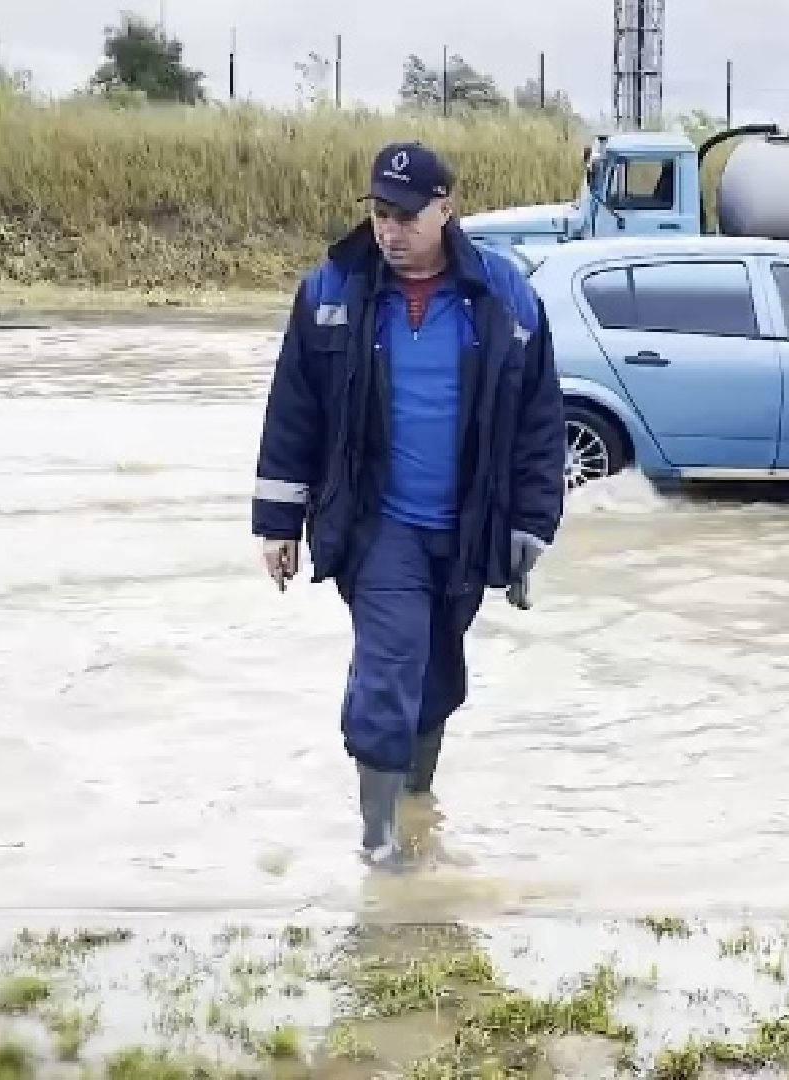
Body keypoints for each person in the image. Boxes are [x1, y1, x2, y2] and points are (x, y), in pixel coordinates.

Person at [250, 141, 566, 865]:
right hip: (376, 523)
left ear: (445, 209)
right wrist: (277, 522)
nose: (389, 230)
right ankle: (380, 842)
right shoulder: (333, 292)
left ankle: (417, 799)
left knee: (437, 672)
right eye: (379, 214)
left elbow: (538, 424)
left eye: (404, 215)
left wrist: (532, 525)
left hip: (465, 527)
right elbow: (293, 411)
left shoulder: (504, 299)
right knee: (389, 666)